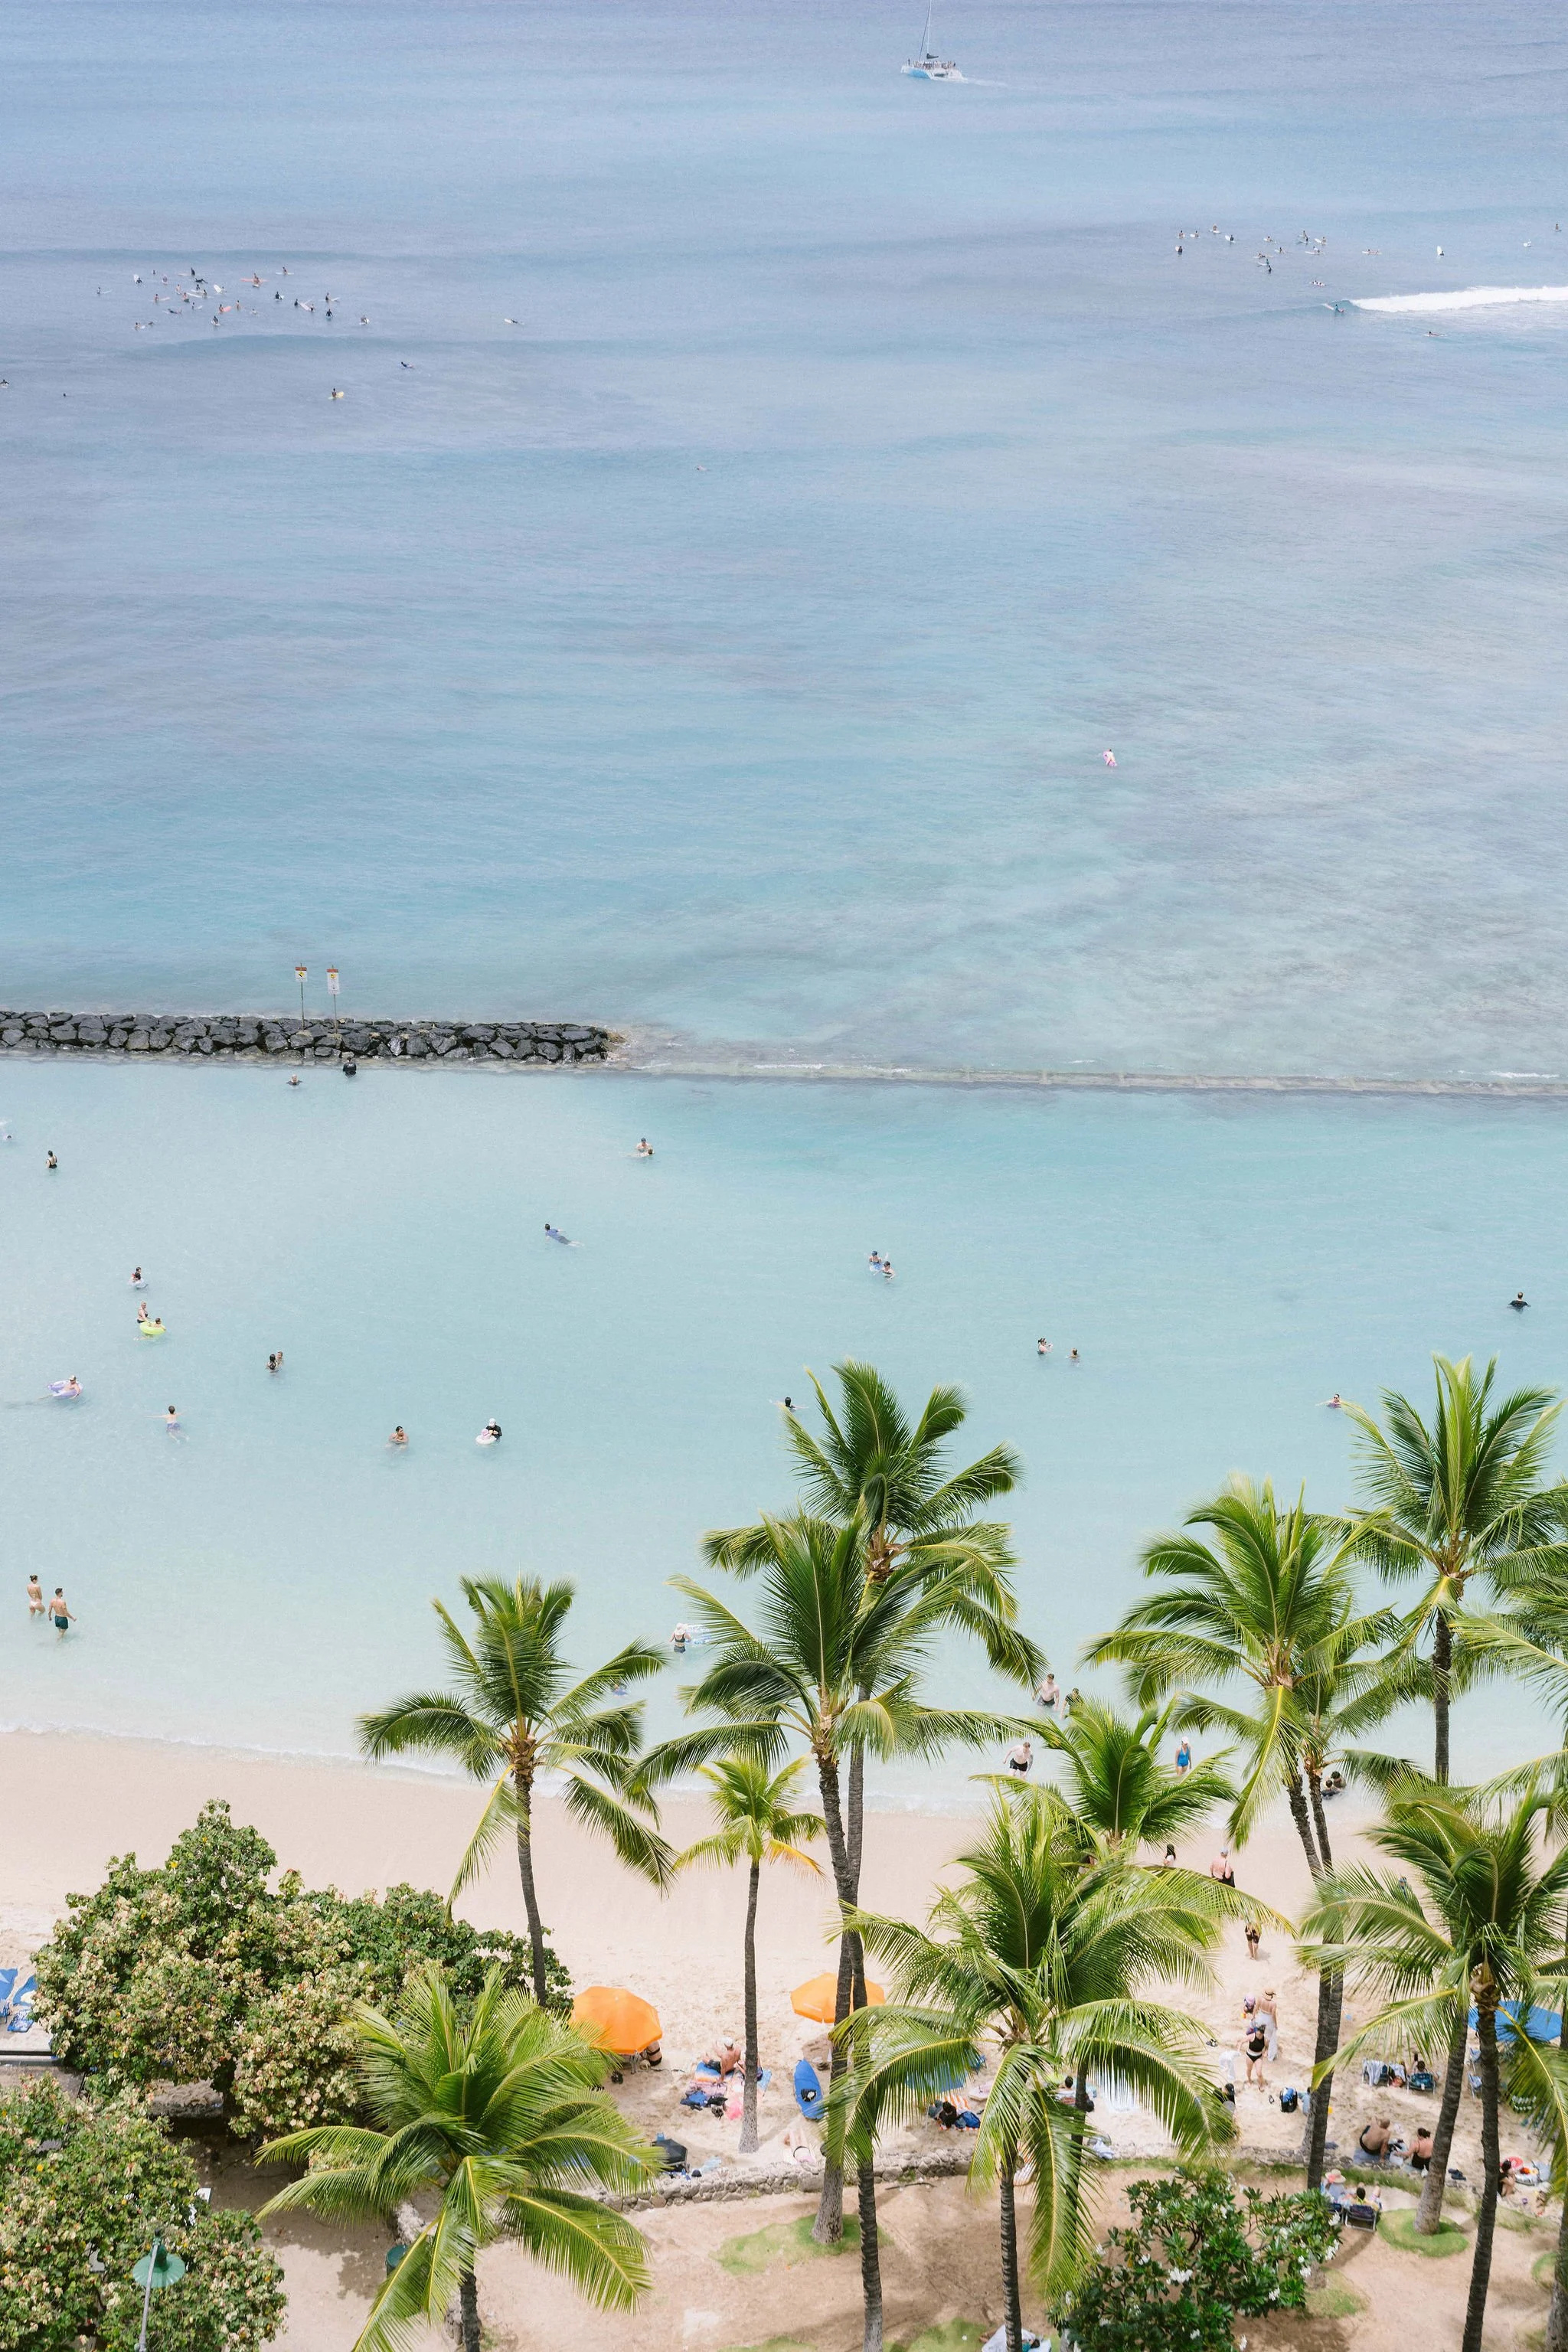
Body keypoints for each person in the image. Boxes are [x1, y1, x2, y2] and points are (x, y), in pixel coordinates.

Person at [1243, 2011, 1268, 2088]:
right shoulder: (1252, 2036)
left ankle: (1261, 2084)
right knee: (1249, 2069)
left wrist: (1266, 2052)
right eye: (1257, 2033)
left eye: (1260, 2034)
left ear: (1263, 2034)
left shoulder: (1265, 2039)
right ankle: (1249, 2080)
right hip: (1250, 2055)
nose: (1258, 2035)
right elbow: (1242, 2041)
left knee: (1259, 2073)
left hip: (1259, 2056)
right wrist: (1238, 2049)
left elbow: (1267, 2046)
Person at [1257, 1987, 1279, 2060]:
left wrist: (1254, 2017)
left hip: (1261, 2018)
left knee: (1262, 2034)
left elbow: (1256, 2008)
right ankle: (1267, 2050)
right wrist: (1276, 2024)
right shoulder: (1273, 2004)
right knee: (1270, 2037)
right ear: (1272, 1995)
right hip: (1269, 2021)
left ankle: (1261, 2049)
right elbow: (1273, 2015)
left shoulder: (1260, 1999)